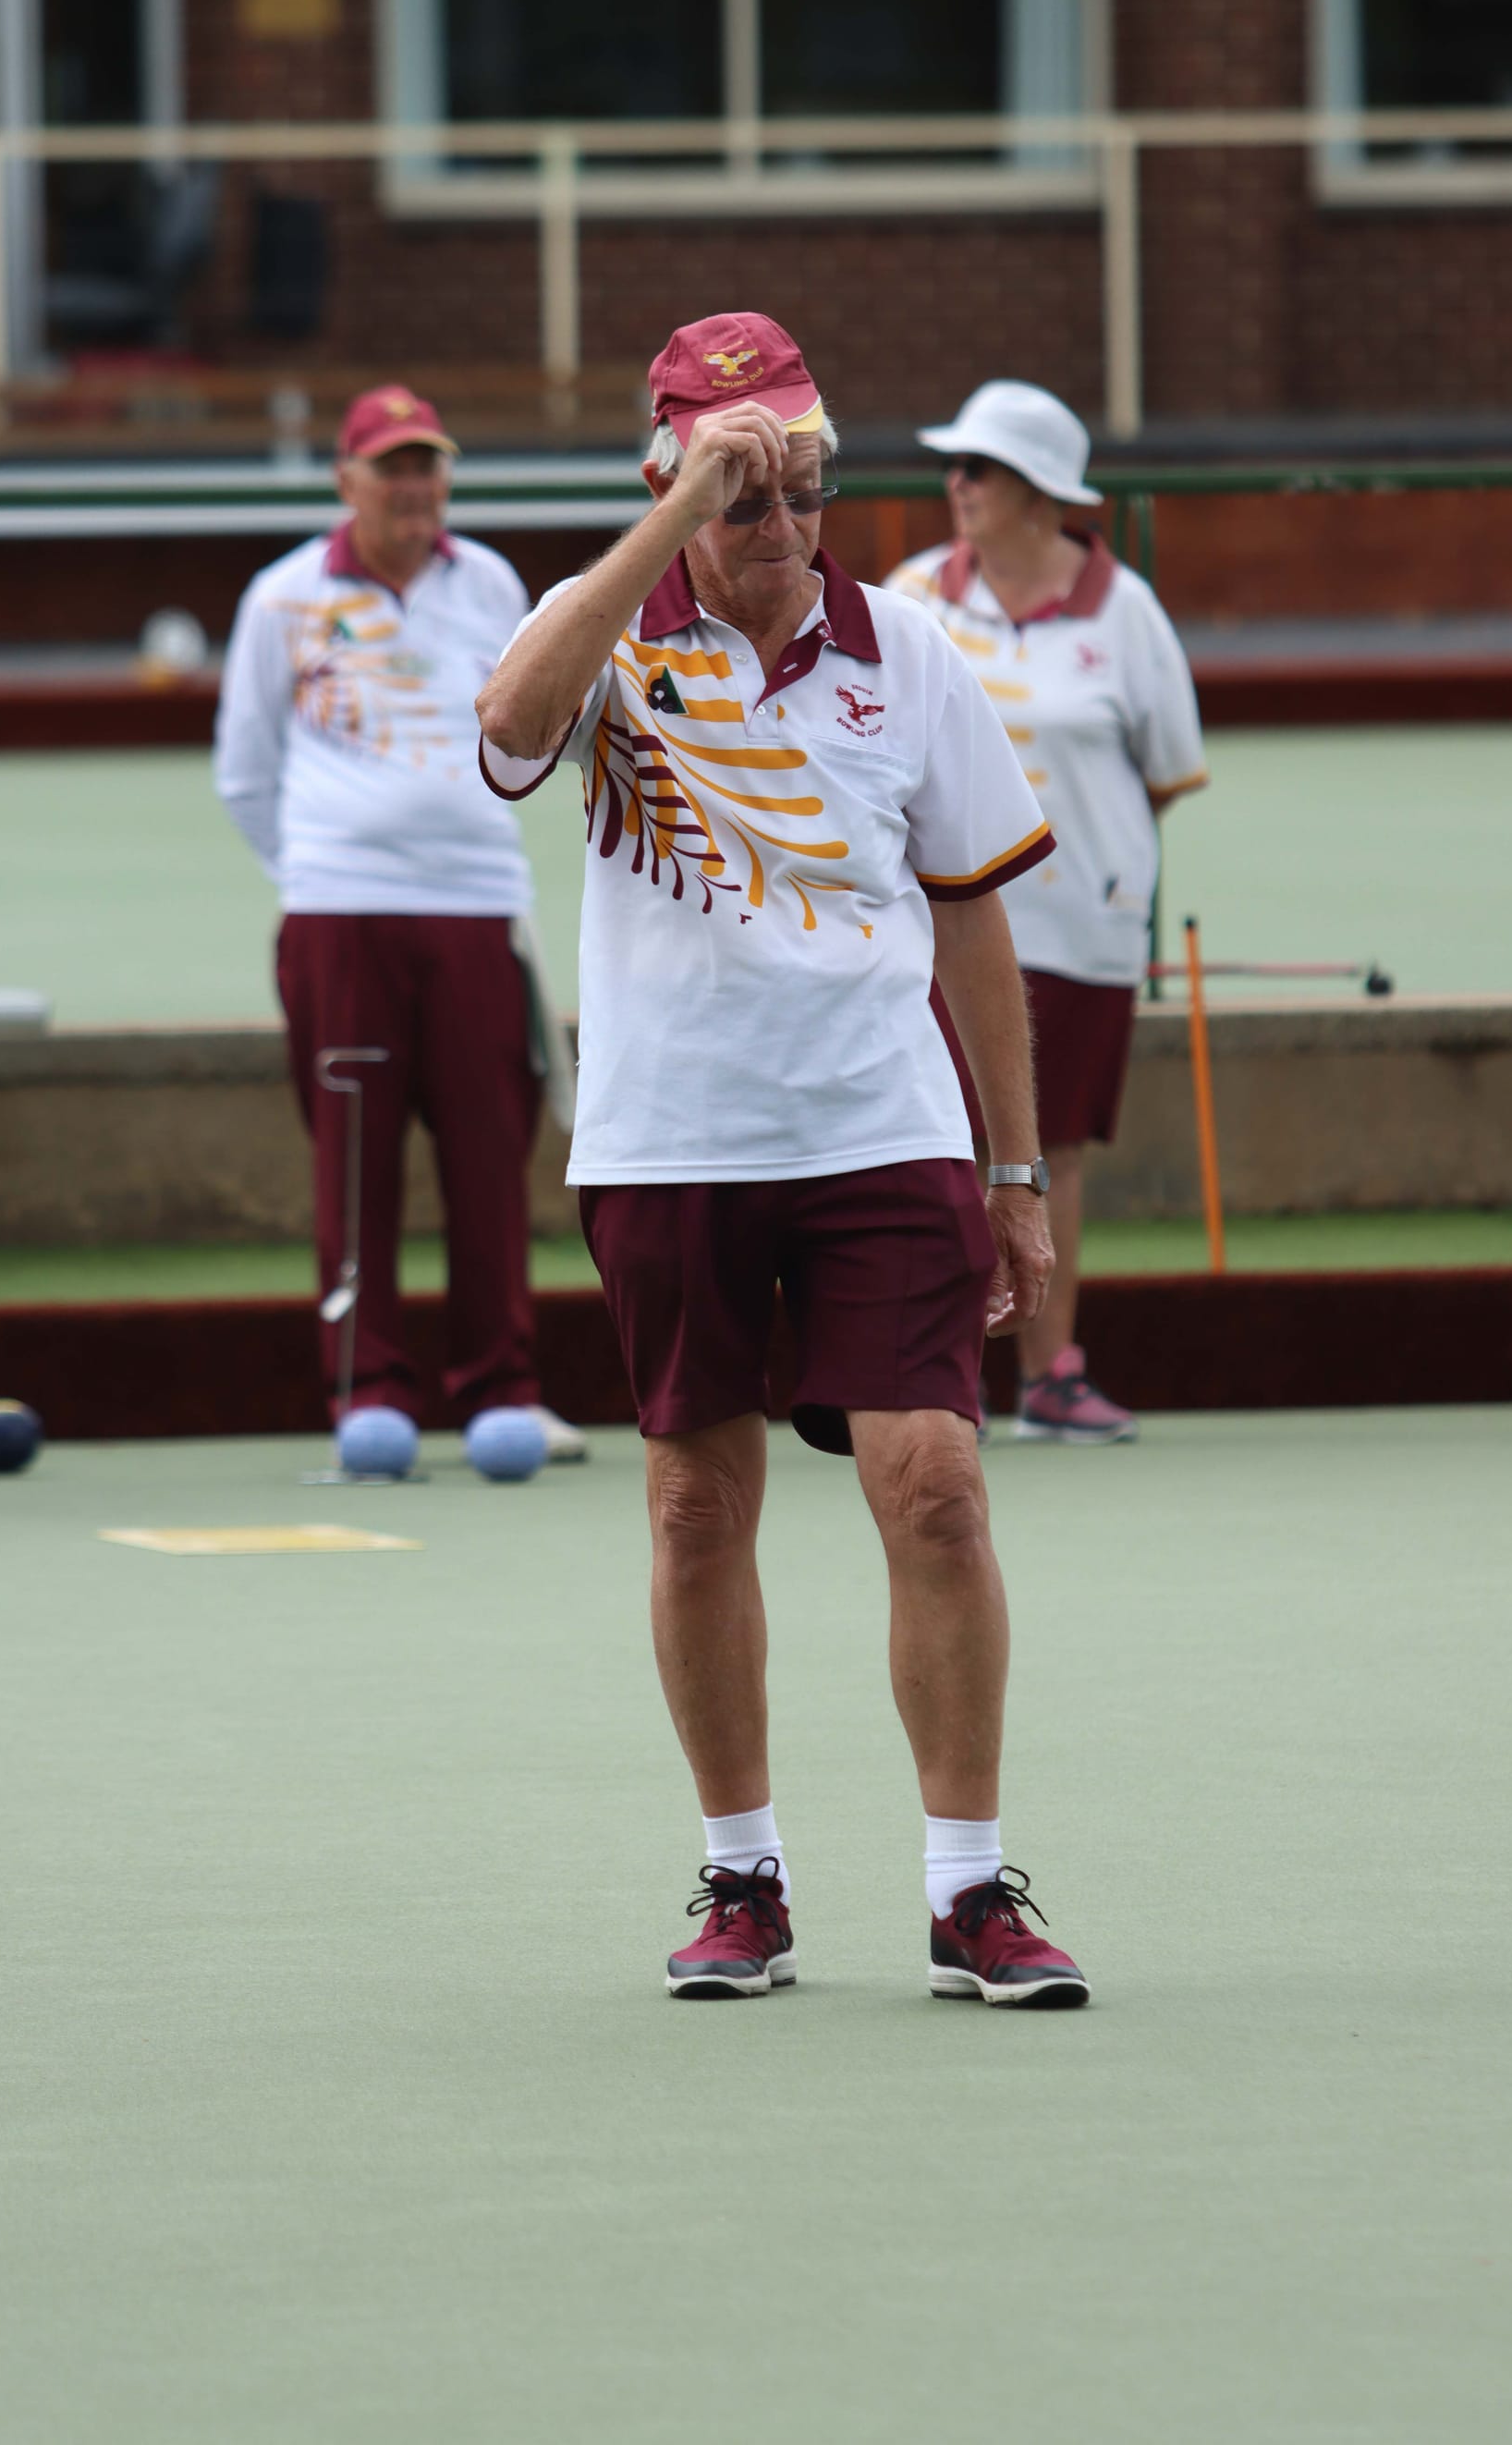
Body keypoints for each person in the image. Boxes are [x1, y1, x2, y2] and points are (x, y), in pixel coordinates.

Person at [476, 312, 1088, 2008]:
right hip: (671, 1139)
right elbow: (509, 730)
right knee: (691, 1509)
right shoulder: (601, 633)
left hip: (880, 1131)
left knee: (939, 1490)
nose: (785, 525)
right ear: (670, 480)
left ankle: (970, 1892)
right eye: (747, 494)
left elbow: (974, 928)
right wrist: (671, 532)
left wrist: (1015, 1173)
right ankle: (742, 1875)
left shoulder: (910, 653)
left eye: (804, 489)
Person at [215, 382, 585, 1461]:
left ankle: (497, 1389)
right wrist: (325, 873)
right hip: (340, 916)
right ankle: (365, 1389)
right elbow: (245, 774)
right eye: (393, 468)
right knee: (354, 1155)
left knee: (488, 1155)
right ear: (348, 483)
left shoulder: (494, 584)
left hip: (477, 906)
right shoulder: (279, 599)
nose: (417, 487)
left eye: (430, 466)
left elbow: (535, 734)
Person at [889, 380, 1207, 1444]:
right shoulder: (911, 597)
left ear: (1038, 493)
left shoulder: (1125, 612)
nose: (957, 486)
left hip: (1080, 923)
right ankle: (942, 1376)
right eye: (956, 466)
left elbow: (1164, 771)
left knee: (1049, 1146)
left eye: (978, 469)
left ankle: (1050, 1375)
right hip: (932, 924)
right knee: (933, 1139)